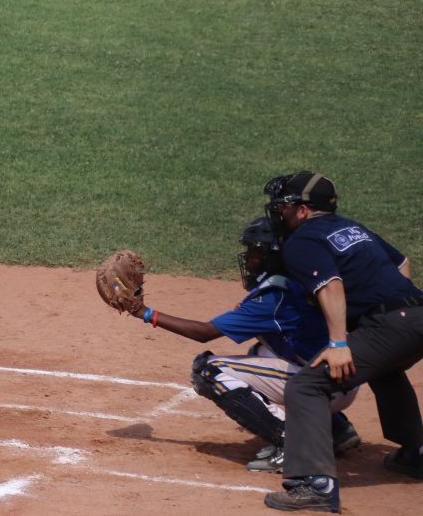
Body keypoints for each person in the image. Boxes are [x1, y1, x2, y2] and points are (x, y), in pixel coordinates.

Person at [131, 217, 360, 473]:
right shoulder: (297, 281)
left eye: (254, 252)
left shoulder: (273, 299)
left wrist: (144, 312)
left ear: (269, 256)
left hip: (321, 386)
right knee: (259, 351)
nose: (249, 259)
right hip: (338, 377)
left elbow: (204, 332)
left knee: (210, 371)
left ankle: (294, 444)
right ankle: (336, 429)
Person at [261, 172, 423, 513]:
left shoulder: (302, 241)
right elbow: (402, 263)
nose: (280, 213)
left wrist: (339, 344)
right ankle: (415, 454)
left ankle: (314, 484)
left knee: (306, 386)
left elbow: (330, 285)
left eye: (285, 206)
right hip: (417, 314)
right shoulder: (353, 228)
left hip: (395, 325)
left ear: (303, 211)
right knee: (385, 369)